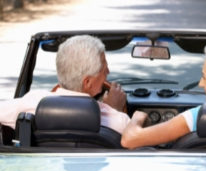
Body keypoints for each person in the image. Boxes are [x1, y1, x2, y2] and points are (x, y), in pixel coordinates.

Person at [0, 35, 130, 134]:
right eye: (104, 69)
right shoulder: (116, 119)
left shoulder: (32, 103)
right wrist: (115, 109)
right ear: (88, 82)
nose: (108, 72)